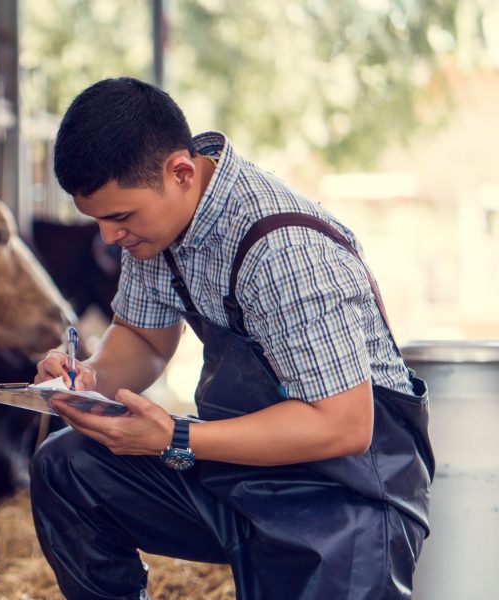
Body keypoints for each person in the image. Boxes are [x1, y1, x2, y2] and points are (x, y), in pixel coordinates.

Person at [30, 77, 433, 600]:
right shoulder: (159, 229)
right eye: (99, 220)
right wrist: (90, 377)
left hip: (345, 496)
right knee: (68, 465)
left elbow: (343, 425)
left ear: (180, 172)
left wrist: (176, 438)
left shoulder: (283, 250)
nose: (108, 238)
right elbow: (145, 340)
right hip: (242, 472)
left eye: (119, 217)